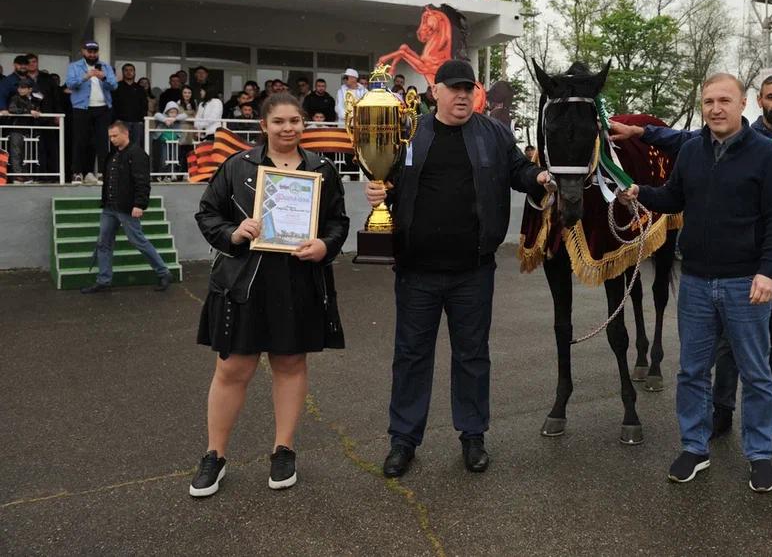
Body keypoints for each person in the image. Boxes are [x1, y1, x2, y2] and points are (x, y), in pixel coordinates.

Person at [367, 59, 552, 479]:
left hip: (473, 270)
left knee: (472, 355)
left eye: (469, 88)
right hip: (416, 270)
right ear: (435, 92)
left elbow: (518, 170)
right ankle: (403, 440)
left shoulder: (494, 134)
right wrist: (378, 191)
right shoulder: (408, 131)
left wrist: (539, 177)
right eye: (454, 88)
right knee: (411, 356)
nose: (463, 95)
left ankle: (473, 436)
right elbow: (387, 178)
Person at [609, 73, 772, 444]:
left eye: (724, 101)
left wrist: (768, 272)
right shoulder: (691, 150)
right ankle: (695, 445)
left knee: (757, 372)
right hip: (697, 282)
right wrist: (640, 193)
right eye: (709, 102)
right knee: (693, 372)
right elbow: (673, 196)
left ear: (743, 103)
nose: (716, 109)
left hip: (748, 279)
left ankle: (760, 452)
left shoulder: (766, 153)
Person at [190, 93, 349, 497]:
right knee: (232, 368)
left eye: (295, 120)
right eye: (279, 121)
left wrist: (325, 246)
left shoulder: (322, 169)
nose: (288, 128)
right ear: (264, 125)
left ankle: (284, 449)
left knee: (290, 364)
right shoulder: (237, 166)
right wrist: (233, 233)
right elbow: (208, 213)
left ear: (304, 123)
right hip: (245, 282)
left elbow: (337, 221)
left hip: (298, 281)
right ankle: (214, 455)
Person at [79, 121, 172, 294]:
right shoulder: (113, 154)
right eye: (110, 137)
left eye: (115, 136)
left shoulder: (137, 154)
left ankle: (163, 272)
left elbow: (142, 182)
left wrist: (139, 204)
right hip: (109, 207)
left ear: (125, 133)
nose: (112, 139)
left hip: (127, 208)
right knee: (103, 243)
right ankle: (103, 280)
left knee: (138, 241)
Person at [65, 41, 117, 185]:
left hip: (102, 108)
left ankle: (102, 173)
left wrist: (103, 77)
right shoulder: (75, 66)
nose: (92, 54)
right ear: (83, 51)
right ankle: (77, 173)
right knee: (80, 140)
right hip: (82, 108)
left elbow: (114, 85)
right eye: (89, 51)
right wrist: (85, 76)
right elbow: (70, 84)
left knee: (102, 142)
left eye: (95, 51)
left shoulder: (105, 67)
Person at [3, 78, 42, 181]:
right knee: (16, 153)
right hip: (17, 128)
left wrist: (36, 112)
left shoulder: (36, 99)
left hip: (30, 129)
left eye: (23, 87)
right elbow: (12, 109)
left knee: (28, 153)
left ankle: (26, 174)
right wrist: (29, 111)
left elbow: (39, 110)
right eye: (19, 87)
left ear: (30, 89)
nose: (20, 89)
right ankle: (17, 175)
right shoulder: (15, 98)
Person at [112, 63, 149, 148]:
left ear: (134, 72)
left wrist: (141, 120)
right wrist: (116, 119)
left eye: (131, 70)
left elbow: (144, 105)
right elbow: (113, 104)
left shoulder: (140, 88)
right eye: (126, 70)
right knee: (121, 145)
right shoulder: (116, 87)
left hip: (137, 122)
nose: (129, 72)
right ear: (123, 72)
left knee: (136, 146)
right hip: (121, 122)